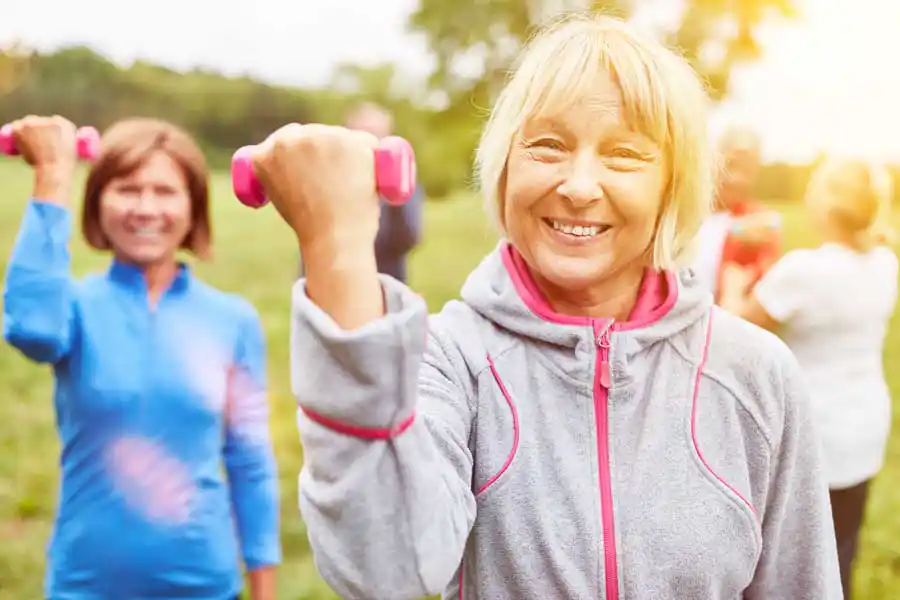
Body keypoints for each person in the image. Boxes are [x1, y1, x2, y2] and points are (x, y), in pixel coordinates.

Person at [251, 12, 840, 600]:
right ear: (506, 166)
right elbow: (387, 568)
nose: (580, 186)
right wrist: (337, 244)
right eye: (548, 145)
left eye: (624, 155)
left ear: (672, 185)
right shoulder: (450, 360)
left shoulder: (756, 374)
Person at [2, 115, 281, 600]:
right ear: (97, 204)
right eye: (127, 189)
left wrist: (264, 588)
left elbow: (250, 461)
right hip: (84, 586)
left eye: (165, 191)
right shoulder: (74, 309)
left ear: (194, 207)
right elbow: (31, 330)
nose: (146, 208)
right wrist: (53, 174)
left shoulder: (232, 320)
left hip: (206, 586)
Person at [720, 157, 898, 599]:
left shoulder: (804, 270)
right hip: (865, 425)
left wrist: (731, 284)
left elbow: (733, 331)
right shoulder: (886, 263)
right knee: (844, 546)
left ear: (826, 204)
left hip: (813, 436)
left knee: (793, 562)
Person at [693, 126, 782, 302]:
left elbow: (765, 290)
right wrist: (732, 230)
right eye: (730, 165)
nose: (736, 179)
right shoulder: (685, 208)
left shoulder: (760, 221)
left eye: (747, 171)